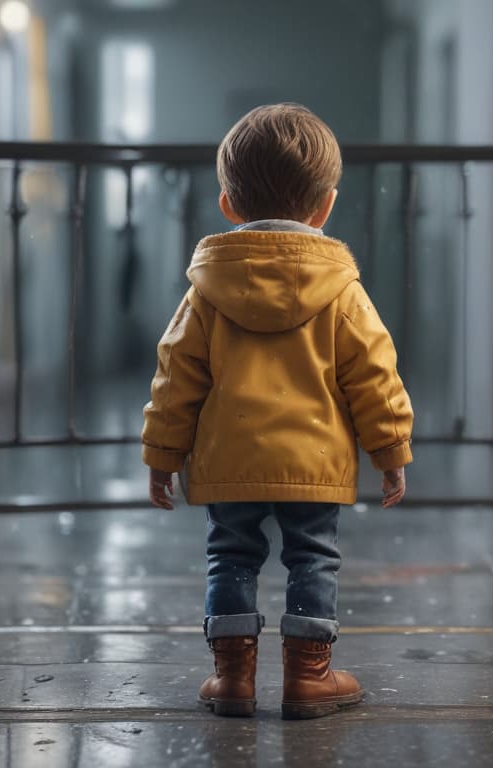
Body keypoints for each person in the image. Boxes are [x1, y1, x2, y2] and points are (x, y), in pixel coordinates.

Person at [141, 103, 413, 719]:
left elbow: (175, 376)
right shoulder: (342, 291)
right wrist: (391, 452)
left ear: (227, 203)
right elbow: (375, 374)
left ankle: (233, 677)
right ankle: (309, 677)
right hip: (313, 461)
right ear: (325, 206)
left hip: (228, 457)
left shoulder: (205, 292)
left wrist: (162, 457)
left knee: (230, 555)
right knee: (313, 557)